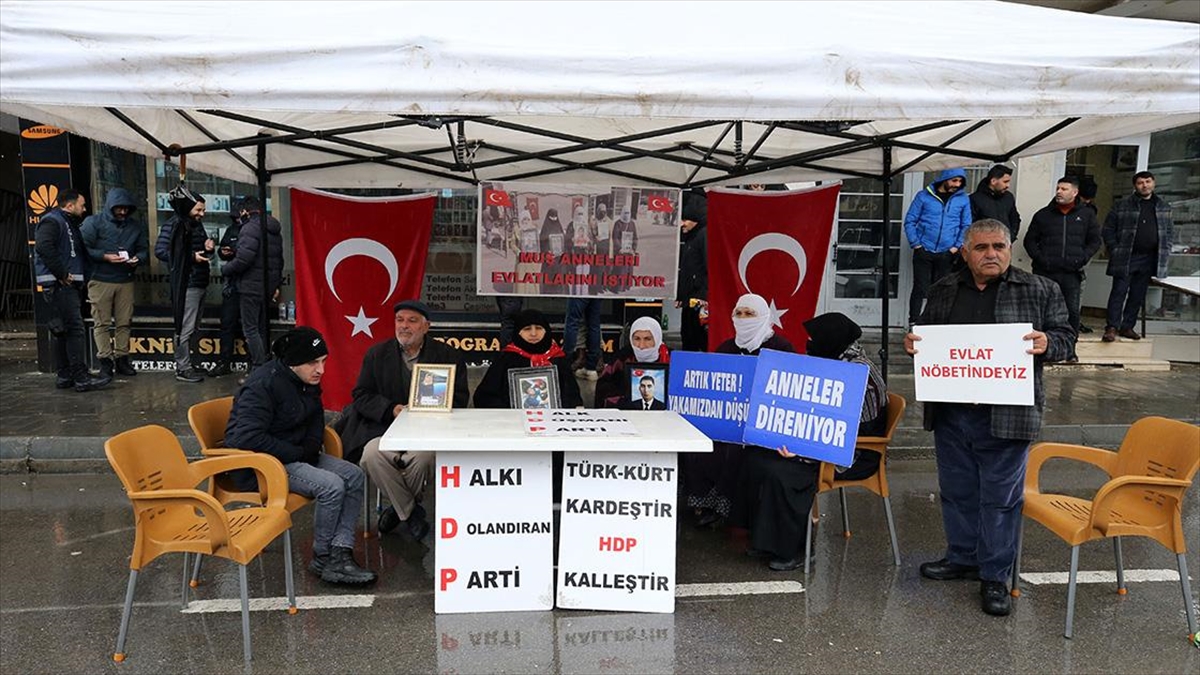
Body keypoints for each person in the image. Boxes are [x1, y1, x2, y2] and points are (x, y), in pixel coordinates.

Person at [904, 218, 1073, 617]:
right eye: (981, 248)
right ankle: (962, 557)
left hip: (1008, 415)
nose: (991, 254)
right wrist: (914, 343)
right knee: (957, 491)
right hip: (951, 413)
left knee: (999, 500)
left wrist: (1049, 342)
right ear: (966, 253)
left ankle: (995, 575)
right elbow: (925, 334)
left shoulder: (1041, 289)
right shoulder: (943, 289)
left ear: (1010, 249)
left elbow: (1067, 338)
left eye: (999, 246)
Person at [737, 312, 888, 572]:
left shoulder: (858, 374)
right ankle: (766, 540)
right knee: (756, 458)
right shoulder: (831, 361)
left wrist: (802, 452)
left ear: (831, 340)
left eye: (814, 339)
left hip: (856, 453)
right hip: (822, 442)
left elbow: (848, 431)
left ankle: (795, 550)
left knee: (784, 473)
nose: (809, 344)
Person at [224, 326, 375, 585]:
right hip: (261, 465)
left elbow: (315, 416)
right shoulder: (262, 385)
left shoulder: (306, 379)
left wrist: (312, 446)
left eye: (323, 361)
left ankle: (341, 550)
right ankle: (323, 557)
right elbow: (246, 438)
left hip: (295, 454)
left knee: (354, 475)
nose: (321, 370)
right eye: (313, 363)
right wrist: (298, 452)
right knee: (331, 486)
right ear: (292, 363)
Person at [341, 300, 469, 540]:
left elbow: (460, 398)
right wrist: (391, 409)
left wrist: (436, 408)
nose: (404, 326)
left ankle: (397, 508)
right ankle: (410, 513)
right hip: (384, 428)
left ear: (426, 326)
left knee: (423, 459)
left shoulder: (448, 355)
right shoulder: (377, 354)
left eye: (412, 321)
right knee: (370, 455)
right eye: (400, 320)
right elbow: (361, 395)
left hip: (428, 432)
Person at [682, 294, 793, 529]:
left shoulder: (781, 348)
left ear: (763, 316)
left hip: (762, 425)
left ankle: (727, 509)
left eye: (749, 314)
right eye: (738, 313)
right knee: (700, 447)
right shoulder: (727, 348)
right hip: (728, 420)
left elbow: (787, 393)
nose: (743, 319)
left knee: (734, 451)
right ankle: (704, 503)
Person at [33, 189, 110, 392]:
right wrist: (62, 273)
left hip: (65, 285)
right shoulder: (53, 221)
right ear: (70, 205)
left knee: (63, 331)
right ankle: (80, 377)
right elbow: (44, 246)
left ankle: (65, 375)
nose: (84, 209)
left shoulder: (66, 222)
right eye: (82, 205)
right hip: (61, 285)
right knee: (74, 330)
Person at [1023, 176, 1101, 362]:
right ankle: (1039, 349)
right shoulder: (1043, 215)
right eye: (1058, 188)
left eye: (1064, 189)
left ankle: (1070, 350)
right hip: (1045, 272)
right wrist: (1042, 259)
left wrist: (1081, 259)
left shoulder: (1087, 215)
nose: (1059, 192)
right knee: (1040, 310)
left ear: (1075, 192)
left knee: (1071, 312)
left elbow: (1095, 241)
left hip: (1071, 273)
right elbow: (1030, 241)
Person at [80, 187, 147, 379]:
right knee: (101, 322)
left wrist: (137, 259)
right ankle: (105, 361)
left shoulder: (135, 226)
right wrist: (104, 256)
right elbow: (82, 248)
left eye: (126, 208)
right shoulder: (93, 222)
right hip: (100, 278)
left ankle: (122, 358)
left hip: (125, 279)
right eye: (119, 208)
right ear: (110, 206)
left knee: (124, 321)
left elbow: (143, 249)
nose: (123, 212)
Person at [1101, 171, 1174, 342]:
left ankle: (1127, 326)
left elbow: (1169, 232)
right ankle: (1112, 327)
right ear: (1135, 186)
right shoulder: (1122, 205)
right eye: (1141, 182)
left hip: (1149, 257)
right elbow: (1108, 229)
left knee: (1138, 294)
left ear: (1154, 183)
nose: (1145, 185)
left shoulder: (1163, 206)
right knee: (1119, 292)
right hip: (1126, 255)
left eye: (1148, 181)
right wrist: (1114, 248)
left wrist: (1166, 249)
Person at [154, 185, 214, 383]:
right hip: (186, 283)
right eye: (199, 209)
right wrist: (191, 257)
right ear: (188, 207)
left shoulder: (195, 225)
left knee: (193, 327)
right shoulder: (174, 225)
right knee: (185, 328)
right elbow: (161, 251)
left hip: (199, 281)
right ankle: (183, 367)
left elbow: (197, 250)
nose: (202, 214)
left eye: (203, 210)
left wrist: (208, 248)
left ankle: (188, 363)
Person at [220, 197, 283, 375]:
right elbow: (278, 260)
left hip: (250, 286)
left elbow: (243, 259)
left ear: (245, 211)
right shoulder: (273, 229)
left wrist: (225, 269)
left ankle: (258, 369)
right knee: (261, 328)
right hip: (267, 285)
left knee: (250, 328)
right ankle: (263, 366)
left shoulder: (250, 227)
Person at [473, 308, 583, 410]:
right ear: (518, 332)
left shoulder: (557, 358)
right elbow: (484, 396)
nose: (533, 334)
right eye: (527, 329)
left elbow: (572, 396)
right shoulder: (507, 358)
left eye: (539, 328)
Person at [904, 168, 971, 327]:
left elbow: (966, 225)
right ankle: (914, 323)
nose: (957, 184)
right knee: (920, 288)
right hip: (924, 250)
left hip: (947, 252)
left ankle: (936, 323)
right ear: (945, 179)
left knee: (942, 289)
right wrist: (916, 244)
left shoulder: (963, 199)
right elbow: (910, 221)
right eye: (954, 180)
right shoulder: (923, 196)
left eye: (960, 181)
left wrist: (955, 247)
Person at [594, 316, 670, 409]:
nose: (641, 345)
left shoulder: (672, 359)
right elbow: (603, 387)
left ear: (657, 339)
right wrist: (624, 400)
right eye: (637, 339)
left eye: (647, 339)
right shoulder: (622, 357)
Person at [210, 208, 245, 376]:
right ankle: (224, 362)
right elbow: (222, 250)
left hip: (248, 284)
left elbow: (251, 254)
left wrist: (234, 251)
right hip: (232, 285)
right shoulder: (232, 229)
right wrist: (223, 252)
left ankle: (255, 365)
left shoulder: (254, 229)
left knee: (251, 327)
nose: (237, 220)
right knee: (227, 325)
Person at [675, 190, 709, 352]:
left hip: (699, 304)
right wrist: (681, 295)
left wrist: (703, 296)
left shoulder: (704, 235)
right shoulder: (692, 237)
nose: (681, 223)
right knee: (689, 340)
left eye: (685, 219)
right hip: (691, 302)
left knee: (695, 342)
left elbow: (707, 268)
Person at [969, 165, 1022, 240]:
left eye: (1008, 182)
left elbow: (1015, 218)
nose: (1008, 185)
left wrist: (1011, 236)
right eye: (1005, 182)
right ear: (993, 181)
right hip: (984, 242)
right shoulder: (975, 199)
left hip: (1005, 242)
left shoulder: (1008, 197)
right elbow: (970, 224)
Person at [563, 298, 602, 381]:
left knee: (572, 322)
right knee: (594, 324)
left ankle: (565, 365)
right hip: (597, 291)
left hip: (580, 291)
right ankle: (591, 368)